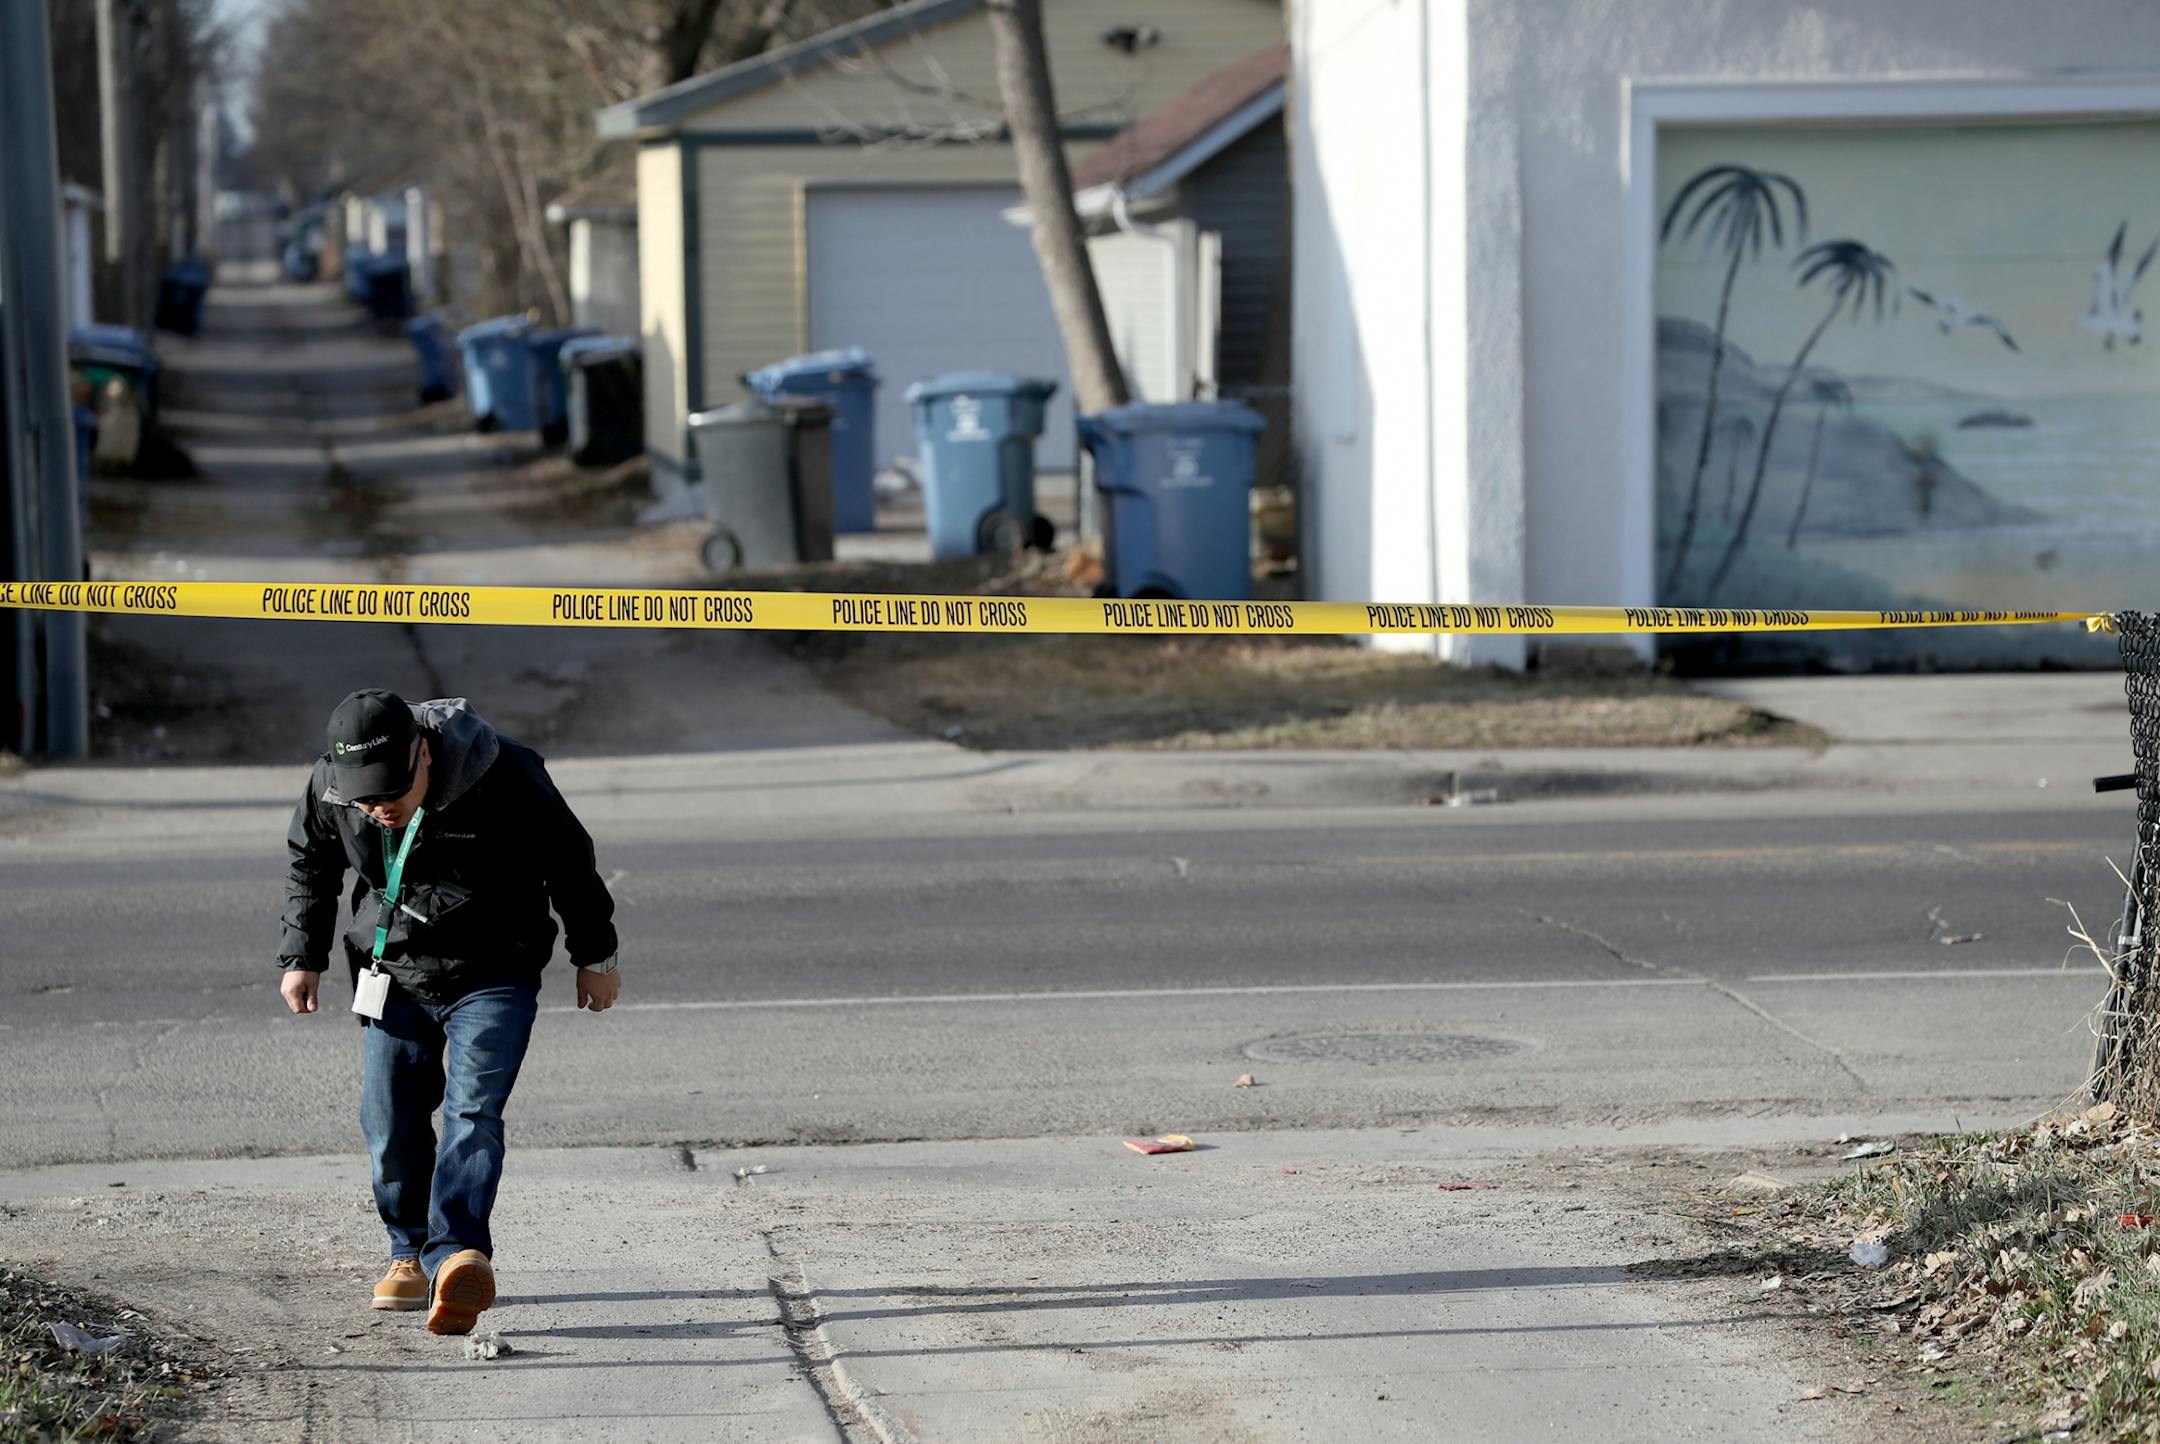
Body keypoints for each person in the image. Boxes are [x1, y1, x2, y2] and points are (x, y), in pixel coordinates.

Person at [277, 690, 619, 1335]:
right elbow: (311, 863)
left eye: (391, 793)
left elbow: (569, 859)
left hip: (495, 971)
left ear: (424, 755)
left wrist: (595, 955)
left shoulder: (506, 772)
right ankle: (407, 1253)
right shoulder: (332, 787)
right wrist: (303, 955)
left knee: (472, 1110)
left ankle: (458, 1253)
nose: (379, 808)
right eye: (365, 798)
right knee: (389, 1120)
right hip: (396, 972)